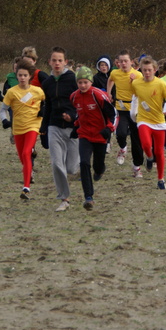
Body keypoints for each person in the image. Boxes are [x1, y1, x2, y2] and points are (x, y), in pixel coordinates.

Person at [70, 67, 117, 210]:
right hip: (84, 135)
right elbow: (79, 114)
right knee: (84, 163)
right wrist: (75, 127)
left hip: (100, 135)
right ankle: (88, 197)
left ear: (91, 82)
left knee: (98, 165)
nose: (82, 85)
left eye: (85, 82)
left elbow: (113, 114)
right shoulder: (74, 96)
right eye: (80, 82)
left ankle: (100, 170)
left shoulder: (98, 95)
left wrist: (108, 129)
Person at [39, 47, 80, 212]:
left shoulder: (73, 80)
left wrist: (73, 116)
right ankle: (64, 198)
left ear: (65, 62)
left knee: (70, 168)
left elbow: (79, 102)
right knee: (57, 164)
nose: (56, 63)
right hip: (54, 127)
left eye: (60, 60)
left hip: (73, 128)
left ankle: (81, 169)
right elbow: (47, 105)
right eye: (54, 60)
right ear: (49, 62)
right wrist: (43, 129)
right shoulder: (47, 82)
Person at [130, 56, 166, 190]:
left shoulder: (161, 84)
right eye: (144, 70)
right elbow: (134, 97)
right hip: (143, 120)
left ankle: (161, 179)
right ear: (141, 69)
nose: (146, 73)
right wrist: (133, 113)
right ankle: (149, 158)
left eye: (149, 70)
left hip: (158, 121)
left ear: (155, 70)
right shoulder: (136, 83)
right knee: (146, 144)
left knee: (159, 152)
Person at [0, 59, 45, 199]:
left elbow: (46, 103)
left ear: (30, 76)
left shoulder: (38, 91)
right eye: (20, 75)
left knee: (26, 153)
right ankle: (28, 170)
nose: (23, 78)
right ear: (16, 75)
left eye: (25, 75)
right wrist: (5, 120)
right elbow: (2, 110)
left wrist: (43, 113)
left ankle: (26, 188)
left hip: (33, 126)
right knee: (23, 159)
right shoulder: (11, 92)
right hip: (18, 128)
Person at [106, 49, 144, 177]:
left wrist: (135, 82)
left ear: (131, 62)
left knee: (136, 139)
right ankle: (122, 148)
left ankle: (137, 167)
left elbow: (143, 91)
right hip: (120, 108)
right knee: (120, 133)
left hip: (134, 109)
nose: (123, 64)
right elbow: (110, 80)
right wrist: (109, 92)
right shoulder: (115, 73)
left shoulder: (138, 75)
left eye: (126, 61)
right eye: (121, 61)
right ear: (118, 63)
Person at [93, 54, 114, 153]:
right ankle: (100, 141)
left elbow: (116, 89)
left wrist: (113, 96)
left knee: (109, 123)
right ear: (98, 66)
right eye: (101, 65)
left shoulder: (113, 77)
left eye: (105, 65)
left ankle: (108, 143)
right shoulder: (96, 78)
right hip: (99, 104)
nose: (103, 67)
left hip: (111, 104)